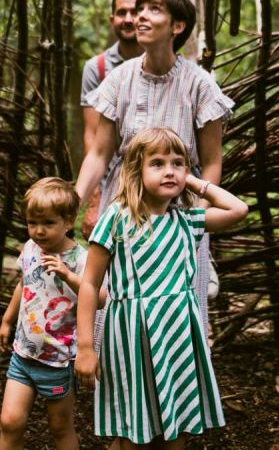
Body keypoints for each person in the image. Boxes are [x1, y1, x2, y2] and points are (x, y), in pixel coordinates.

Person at [75, 127, 248, 447]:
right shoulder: (117, 218)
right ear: (135, 171)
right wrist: (85, 347)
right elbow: (89, 284)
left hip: (178, 336)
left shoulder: (187, 220)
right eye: (157, 163)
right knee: (133, 434)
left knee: (178, 426)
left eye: (177, 163)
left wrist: (192, 181)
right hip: (131, 338)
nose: (169, 171)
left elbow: (238, 210)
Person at [75, 0, 233, 322]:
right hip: (123, 207)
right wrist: (72, 204)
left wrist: (195, 222)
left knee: (176, 311)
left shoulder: (200, 85)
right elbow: (99, 155)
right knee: (117, 304)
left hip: (180, 211)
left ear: (177, 26)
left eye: (153, 10)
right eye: (140, 10)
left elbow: (211, 163)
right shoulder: (118, 79)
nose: (140, 17)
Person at [0, 178, 87, 450]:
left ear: (68, 221)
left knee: (60, 426)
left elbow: (99, 297)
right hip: (23, 355)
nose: (38, 230)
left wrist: (68, 276)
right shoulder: (30, 248)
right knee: (10, 422)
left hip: (57, 361)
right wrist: (7, 320)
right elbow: (24, 284)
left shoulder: (80, 259)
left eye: (48, 223)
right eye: (32, 223)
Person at [79, 0, 146, 237]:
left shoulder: (165, 63)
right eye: (121, 13)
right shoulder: (96, 68)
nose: (128, 19)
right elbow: (92, 136)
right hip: (112, 187)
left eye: (135, 12)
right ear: (111, 20)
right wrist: (94, 202)